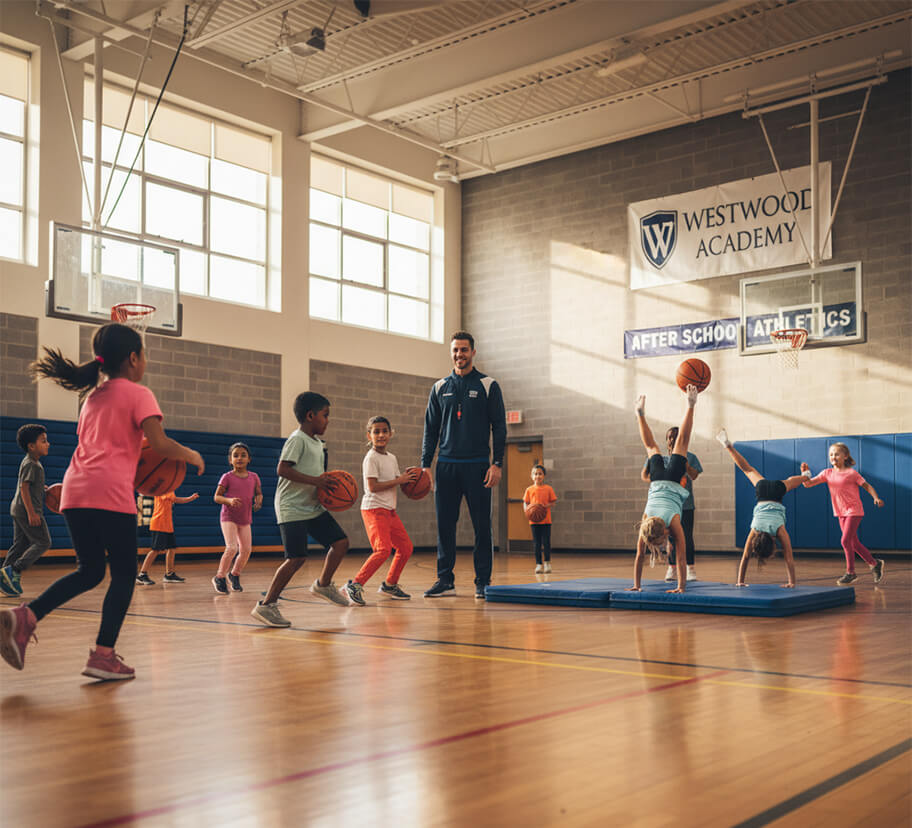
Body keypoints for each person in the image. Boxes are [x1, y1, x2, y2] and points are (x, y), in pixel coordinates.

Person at [0, 323, 204, 680]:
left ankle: (25, 617)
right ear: (134, 358)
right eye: (145, 356)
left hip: (75, 492)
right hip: (109, 493)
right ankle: (103, 655)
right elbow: (158, 445)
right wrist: (190, 455)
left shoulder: (91, 398)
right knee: (124, 574)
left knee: (90, 570)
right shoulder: (140, 394)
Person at [250, 392, 350, 628]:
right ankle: (266, 605)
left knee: (341, 542)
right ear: (310, 415)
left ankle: (323, 585)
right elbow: (282, 470)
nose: (328, 420)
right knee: (296, 558)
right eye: (325, 416)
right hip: (291, 507)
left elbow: (317, 477)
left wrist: (326, 492)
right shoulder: (297, 439)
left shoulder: (317, 443)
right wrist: (316, 482)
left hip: (311, 507)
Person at [420, 332, 506, 599]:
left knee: (482, 526)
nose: (460, 355)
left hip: (478, 465)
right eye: (456, 350)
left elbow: (500, 427)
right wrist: (425, 465)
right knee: (445, 525)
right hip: (446, 465)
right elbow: (430, 429)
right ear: (451, 353)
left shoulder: (488, 385)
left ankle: (482, 581)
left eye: (464, 350)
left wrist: (497, 463)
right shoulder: (439, 387)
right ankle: (445, 580)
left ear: (473, 352)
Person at [716, 429, 810, 588]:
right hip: (763, 490)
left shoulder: (779, 530)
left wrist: (791, 582)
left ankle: (806, 476)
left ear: (773, 544)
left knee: (790, 481)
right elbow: (745, 557)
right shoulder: (755, 529)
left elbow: (789, 558)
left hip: (776, 492)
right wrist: (739, 581)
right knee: (748, 469)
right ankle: (727, 445)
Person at [628, 386, 698, 594]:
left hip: (673, 482)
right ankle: (640, 415)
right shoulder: (646, 521)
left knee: (682, 442)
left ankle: (690, 406)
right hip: (658, 482)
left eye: (659, 542)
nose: (661, 544)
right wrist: (636, 585)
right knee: (650, 447)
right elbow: (640, 556)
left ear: (663, 532)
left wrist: (681, 587)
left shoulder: (673, 523)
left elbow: (680, 557)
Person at [341, 416, 417, 606]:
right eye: (376, 431)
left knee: (406, 547)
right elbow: (373, 487)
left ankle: (390, 585)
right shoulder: (371, 458)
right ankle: (355, 585)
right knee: (382, 550)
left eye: (384, 431)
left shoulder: (392, 458)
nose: (381, 435)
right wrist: (400, 481)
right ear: (369, 435)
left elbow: (397, 480)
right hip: (374, 509)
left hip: (389, 510)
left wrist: (411, 480)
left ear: (391, 434)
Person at [801, 443, 885, 585]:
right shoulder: (827, 473)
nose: (833, 456)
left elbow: (867, 486)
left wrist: (875, 497)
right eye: (831, 454)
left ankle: (850, 572)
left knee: (845, 541)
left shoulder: (852, 473)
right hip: (840, 512)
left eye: (837, 454)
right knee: (854, 543)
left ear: (845, 456)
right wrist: (805, 474)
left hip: (854, 510)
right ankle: (874, 563)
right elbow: (807, 484)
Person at [641, 427, 702, 582]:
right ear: (667, 439)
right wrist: (661, 481)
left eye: (675, 436)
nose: (672, 439)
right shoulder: (658, 459)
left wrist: (687, 467)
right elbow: (644, 475)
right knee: (669, 538)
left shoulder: (690, 457)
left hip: (685, 505)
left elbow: (694, 476)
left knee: (686, 537)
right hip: (665, 504)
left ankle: (691, 568)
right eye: (669, 437)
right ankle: (672, 567)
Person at [1, 424, 53, 597]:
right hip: (26, 510)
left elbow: (28, 485)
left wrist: (41, 489)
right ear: (31, 446)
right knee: (43, 542)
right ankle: (15, 569)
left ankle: (3, 575)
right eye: (44, 441)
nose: (48, 444)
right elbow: (24, 488)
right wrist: (32, 513)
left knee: (20, 544)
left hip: (18, 508)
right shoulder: (33, 465)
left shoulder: (30, 462)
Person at [212, 442, 262, 594]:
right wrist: (229, 501)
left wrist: (258, 500)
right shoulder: (227, 477)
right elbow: (217, 497)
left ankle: (234, 574)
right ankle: (219, 577)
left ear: (249, 459)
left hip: (245, 518)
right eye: (235, 455)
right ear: (230, 460)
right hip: (228, 517)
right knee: (232, 547)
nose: (239, 458)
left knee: (246, 550)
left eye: (243, 455)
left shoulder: (254, 477)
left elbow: (258, 493)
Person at [135, 490, 200, 586]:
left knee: (171, 548)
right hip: (159, 523)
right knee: (155, 550)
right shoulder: (164, 489)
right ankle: (142, 575)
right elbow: (175, 499)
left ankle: (169, 574)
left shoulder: (169, 489)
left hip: (167, 524)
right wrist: (190, 498)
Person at [523, 464, 557, 574]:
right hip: (534, 521)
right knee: (536, 543)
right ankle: (538, 564)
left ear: (544, 476)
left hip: (546, 520)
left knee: (546, 542)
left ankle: (547, 563)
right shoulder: (529, 489)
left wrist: (544, 506)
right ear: (532, 476)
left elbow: (553, 502)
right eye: (535, 474)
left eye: (540, 474)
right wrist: (527, 510)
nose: (538, 476)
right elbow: (526, 502)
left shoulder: (548, 489)